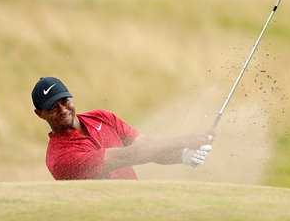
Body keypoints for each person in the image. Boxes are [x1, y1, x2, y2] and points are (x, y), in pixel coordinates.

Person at [32, 76, 214, 180]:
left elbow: (148, 148)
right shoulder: (61, 158)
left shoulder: (101, 117)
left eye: (65, 101)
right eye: (53, 108)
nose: (63, 110)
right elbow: (125, 156)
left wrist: (183, 155)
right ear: (40, 114)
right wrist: (184, 140)